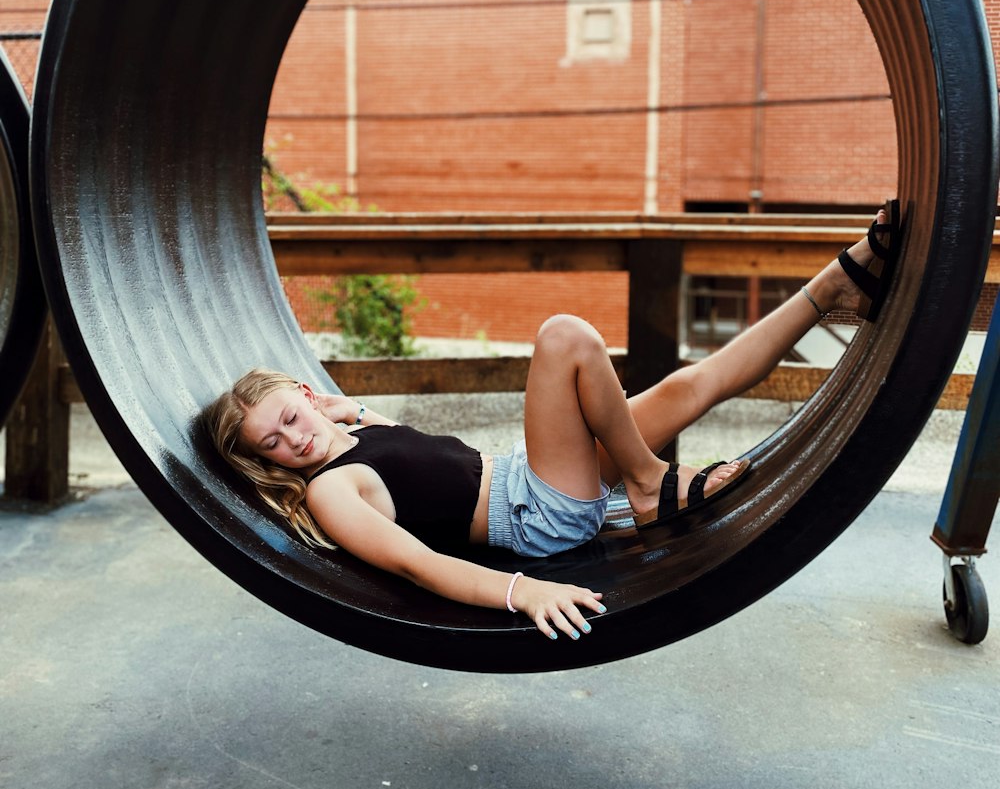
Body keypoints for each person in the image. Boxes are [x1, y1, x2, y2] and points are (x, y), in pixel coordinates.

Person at [204, 203, 899, 643]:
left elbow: (396, 447)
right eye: (275, 443)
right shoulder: (328, 490)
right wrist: (522, 591)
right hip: (534, 512)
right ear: (268, 461)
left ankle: (836, 285)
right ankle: (649, 482)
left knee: (691, 384)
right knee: (564, 336)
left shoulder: (344, 431)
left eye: (291, 415)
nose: (295, 438)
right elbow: (418, 563)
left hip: (524, 479)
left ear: (303, 390)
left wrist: (344, 408)